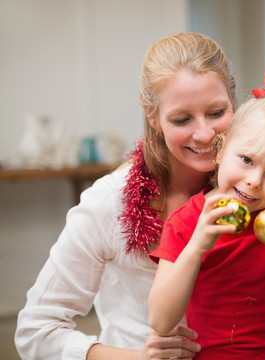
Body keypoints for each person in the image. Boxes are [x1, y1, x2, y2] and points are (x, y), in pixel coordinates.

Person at [15, 32, 237, 360]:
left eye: (217, 112)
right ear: (153, 116)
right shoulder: (109, 202)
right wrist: (137, 358)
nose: (204, 133)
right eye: (182, 118)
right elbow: (35, 331)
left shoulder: (253, 187)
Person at [147, 74, 265, 359]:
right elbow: (161, 321)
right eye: (247, 160)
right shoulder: (186, 221)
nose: (254, 181)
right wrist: (198, 245)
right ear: (221, 150)